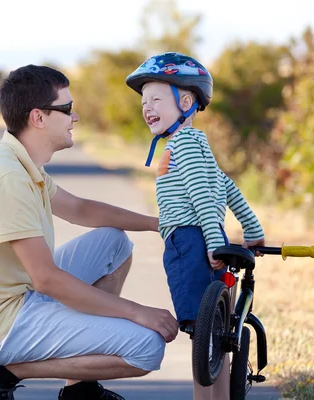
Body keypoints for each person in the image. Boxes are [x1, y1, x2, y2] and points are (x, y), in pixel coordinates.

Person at [0, 64, 180, 400]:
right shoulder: (6, 177)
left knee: (114, 242)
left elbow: (81, 209)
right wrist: (137, 311)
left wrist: (160, 224)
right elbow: (47, 280)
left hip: (12, 296)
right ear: (38, 117)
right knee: (147, 347)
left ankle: (80, 391)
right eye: (66, 110)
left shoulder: (16, 160)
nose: (75, 117)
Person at [125, 52, 266, 400]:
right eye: (144, 101)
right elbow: (227, 186)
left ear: (186, 101)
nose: (147, 108)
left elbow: (202, 193)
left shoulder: (182, 144)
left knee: (202, 335)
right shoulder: (198, 142)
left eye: (156, 99)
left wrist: (212, 239)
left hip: (189, 240)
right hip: (203, 235)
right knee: (216, 338)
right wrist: (252, 230)